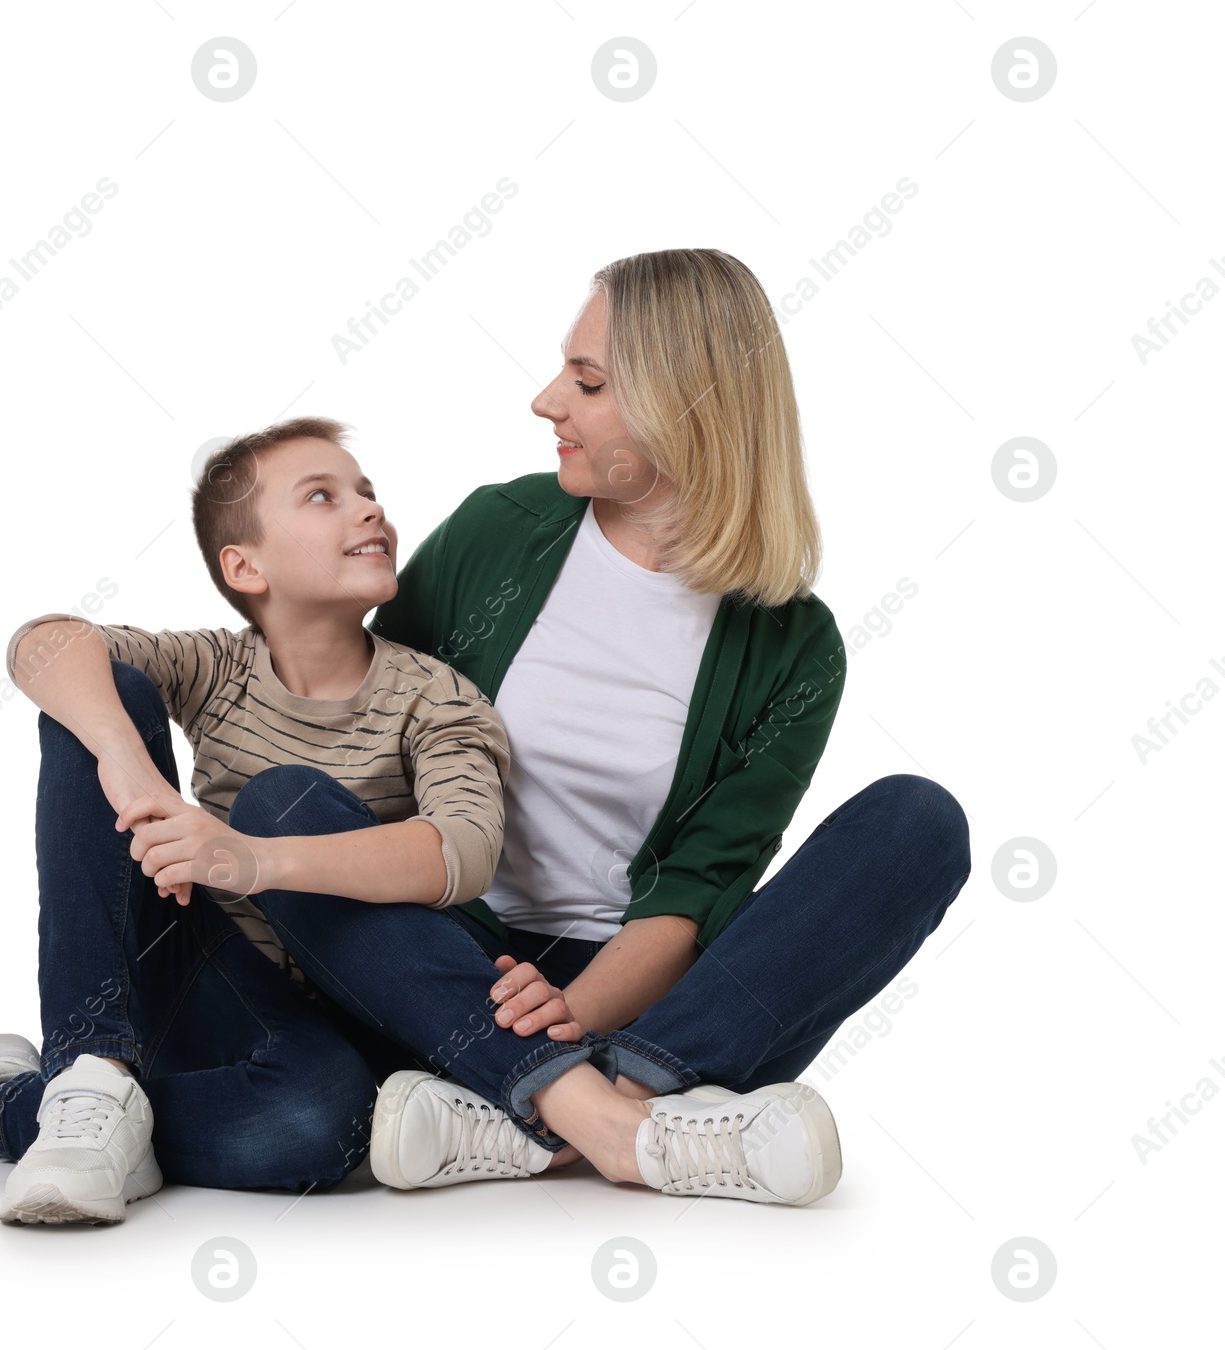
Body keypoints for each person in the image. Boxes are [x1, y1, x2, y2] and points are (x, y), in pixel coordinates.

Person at [238, 248, 973, 1204]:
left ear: (686, 407)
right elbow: (367, 748)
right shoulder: (499, 529)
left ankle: (565, 1107)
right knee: (280, 801)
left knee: (918, 822)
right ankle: (629, 1122)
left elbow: (699, 889)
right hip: (448, 963)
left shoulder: (796, 645)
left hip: (651, 997)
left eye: (587, 383)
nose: (548, 401)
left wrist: (575, 1016)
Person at [0, 416, 513, 1224]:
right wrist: (127, 757)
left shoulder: (434, 695)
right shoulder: (217, 665)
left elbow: (463, 852)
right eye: (323, 496)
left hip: (346, 1015)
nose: (369, 510)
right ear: (246, 565)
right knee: (102, 693)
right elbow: (47, 644)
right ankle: (91, 1067)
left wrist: (255, 860)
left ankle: (1, 1110)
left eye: (368, 493)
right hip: (197, 974)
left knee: (315, 1127)